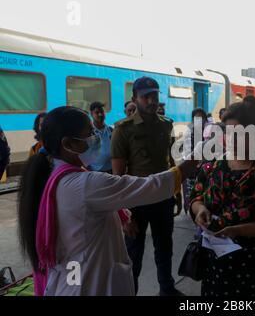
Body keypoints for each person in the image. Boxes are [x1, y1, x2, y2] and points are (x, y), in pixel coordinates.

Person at [17, 106, 198, 296]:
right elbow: (152, 186)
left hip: (71, 274)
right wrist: (197, 157)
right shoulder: (85, 184)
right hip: (89, 284)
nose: (96, 138)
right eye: (89, 135)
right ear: (68, 143)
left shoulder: (52, 175)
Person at [189, 101, 255, 296]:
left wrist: (238, 230)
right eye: (228, 132)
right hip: (214, 263)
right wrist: (200, 209)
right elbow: (196, 196)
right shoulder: (213, 166)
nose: (232, 139)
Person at [111, 76, 183, 296]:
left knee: (165, 248)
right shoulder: (123, 130)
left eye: (155, 96)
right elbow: (117, 176)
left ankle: (167, 289)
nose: (152, 101)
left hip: (162, 198)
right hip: (136, 202)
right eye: (146, 97)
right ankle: (130, 291)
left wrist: (176, 192)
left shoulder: (166, 125)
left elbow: (170, 162)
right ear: (135, 98)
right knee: (133, 253)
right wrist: (122, 214)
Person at [181, 108, 208, 214]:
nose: (200, 120)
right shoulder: (190, 130)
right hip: (191, 164)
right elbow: (189, 150)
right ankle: (191, 208)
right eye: (197, 118)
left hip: (201, 165)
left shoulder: (207, 130)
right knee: (190, 188)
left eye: (202, 117)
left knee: (199, 189)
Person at [88, 102, 113, 173]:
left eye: (102, 112)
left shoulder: (111, 130)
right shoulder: (89, 133)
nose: (100, 114)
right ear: (91, 114)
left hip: (112, 170)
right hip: (95, 172)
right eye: (97, 112)